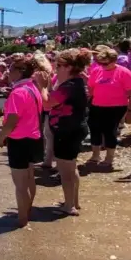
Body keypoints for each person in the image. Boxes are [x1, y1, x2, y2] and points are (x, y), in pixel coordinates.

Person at [0, 54, 47, 227]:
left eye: (11, 69)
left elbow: (11, 121)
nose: (8, 73)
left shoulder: (18, 93)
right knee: (29, 178)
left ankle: (22, 220)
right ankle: (27, 210)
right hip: (34, 137)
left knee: (20, 184)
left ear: (20, 72)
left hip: (19, 140)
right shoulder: (34, 88)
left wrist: (1, 138)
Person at [46, 49, 91, 216]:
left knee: (66, 171)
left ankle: (69, 206)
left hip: (67, 130)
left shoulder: (70, 86)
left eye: (58, 66)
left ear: (68, 67)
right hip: (74, 128)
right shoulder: (76, 82)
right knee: (71, 167)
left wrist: (43, 86)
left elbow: (47, 103)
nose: (56, 69)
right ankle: (74, 201)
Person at [86, 45, 131, 170]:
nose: (102, 66)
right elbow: (91, 86)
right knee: (94, 129)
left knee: (109, 130)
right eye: (100, 63)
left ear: (114, 60)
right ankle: (95, 155)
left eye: (106, 63)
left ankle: (109, 158)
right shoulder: (97, 70)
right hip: (96, 104)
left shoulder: (123, 72)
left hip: (116, 107)